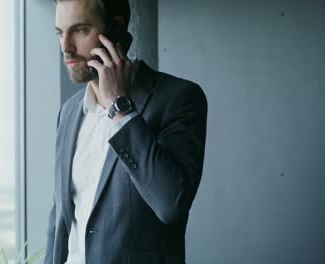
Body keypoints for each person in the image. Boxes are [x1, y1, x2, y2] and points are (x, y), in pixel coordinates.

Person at [45, 0, 208, 263]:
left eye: (80, 30)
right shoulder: (68, 112)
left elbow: (171, 205)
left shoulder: (179, 99)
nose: (66, 47)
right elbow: (59, 220)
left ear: (116, 28)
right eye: (59, 33)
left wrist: (120, 109)